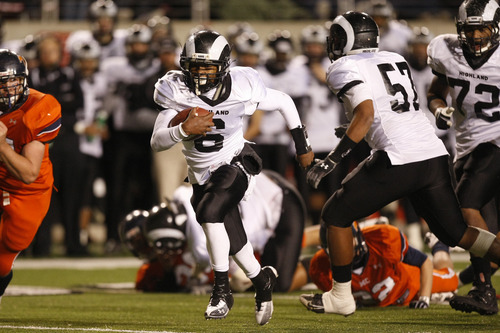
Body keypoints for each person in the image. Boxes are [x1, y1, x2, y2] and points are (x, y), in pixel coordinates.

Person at [299, 11, 500, 317]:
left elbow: (366, 114)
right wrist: (355, 133)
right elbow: (388, 113)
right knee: (456, 233)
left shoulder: (343, 65)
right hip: (432, 154)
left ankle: (340, 296)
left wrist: (332, 160)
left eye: (337, 38)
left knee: (335, 214)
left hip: (399, 156)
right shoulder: (393, 58)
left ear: (346, 40)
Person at [150, 30, 314, 325]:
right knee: (236, 244)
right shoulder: (174, 89)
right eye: (195, 66)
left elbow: (285, 102)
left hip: (237, 160)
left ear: (223, 66)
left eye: (207, 67)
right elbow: (157, 141)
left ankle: (221, 290)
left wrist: (301, 145)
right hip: (201, 175)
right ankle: (261, 281)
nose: (200, 73)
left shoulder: (242, 84)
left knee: (210, 211)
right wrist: (183, 130)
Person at [426, 0, 500, 316]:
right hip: (467, 147)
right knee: (487, 241)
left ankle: (483, 289)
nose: (476, 36)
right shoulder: (446, 51)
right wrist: (439, 109)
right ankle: (479, 280)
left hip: (495, 142)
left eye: (482, 28)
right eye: (470, 29)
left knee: (464, 204)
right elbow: (435, 91)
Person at [121, 170, 308, 294]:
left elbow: (210, 256)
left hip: (280, 201)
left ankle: (313, 263)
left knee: (278, 284)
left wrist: (201, 278)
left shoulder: (200, 246)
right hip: (259, 190)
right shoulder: (182, 198)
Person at [0, 50, 61, 301]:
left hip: (27, 191)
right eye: (1, 83)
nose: (7, 89)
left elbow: (28, 173)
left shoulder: (40, 106)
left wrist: (1, 145)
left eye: (12, 82)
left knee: (3, 258)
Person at [306, 222, 458, 309]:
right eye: (334, 246)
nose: (341, 249)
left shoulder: (382, 239)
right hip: (386, 299)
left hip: (410, 284)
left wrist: (424, 299)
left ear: (357, 236)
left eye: (345, 242)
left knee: (452, 281)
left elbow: (424, 262)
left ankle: (440, 246)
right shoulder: (320, 267)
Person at [28, 34, 86, 256]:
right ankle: (41, 246)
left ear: (60, 55)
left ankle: (74, 244)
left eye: (52, 51)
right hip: (41, 143)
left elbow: (77, 104)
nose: (48, 56)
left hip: (68, 141)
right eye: (44, 52)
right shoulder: (32, 77)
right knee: (42, 195)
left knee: (73, 194)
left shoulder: (70, 74)